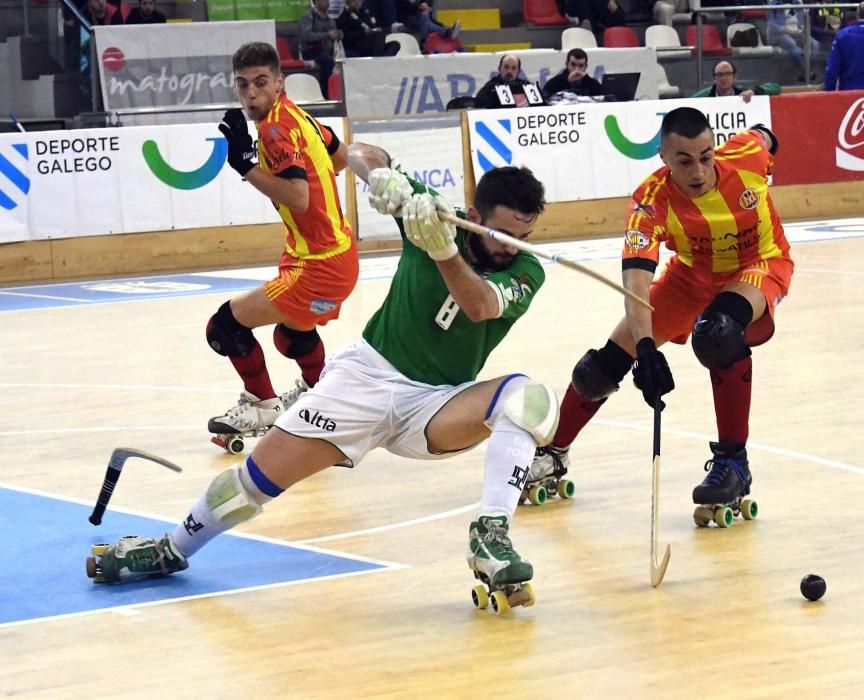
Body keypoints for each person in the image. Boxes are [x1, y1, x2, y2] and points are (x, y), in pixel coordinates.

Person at [87, 164, 554, 606]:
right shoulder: (428, 213)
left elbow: (477, 306)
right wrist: (383, 176)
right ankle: (172, 548)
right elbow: (363, 155)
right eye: (504, 235)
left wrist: (443, 252)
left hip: (436, 405)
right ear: (475, 217)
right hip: (364, 379)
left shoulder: (526, 270)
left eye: (524, 237)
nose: (514, 248)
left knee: (527, 397)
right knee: (252, 484)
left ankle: (491, 536)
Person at [531, 107, 793, 524]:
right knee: (601, 368)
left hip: (758, 264)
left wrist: (765, 135)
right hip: (690, 277)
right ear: (663, 157)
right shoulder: (650, 202)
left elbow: (766, 136)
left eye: (707, 156)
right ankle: (553, 453)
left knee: (718, 334)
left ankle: (733, 464)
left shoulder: (747, 156)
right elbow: (635, 283)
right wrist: (647, 349)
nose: (699, 171)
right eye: (684, 161)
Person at [206, 42, 373, 447]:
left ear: (279, 82)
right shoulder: (301, 118)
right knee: (291, 337)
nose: (251, 94)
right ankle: (323, 399)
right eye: (242, 85)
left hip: (316, 268)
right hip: (336, 256)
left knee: (224, 327)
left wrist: (245, 166)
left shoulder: (276, 129)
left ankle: (261, 405)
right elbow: (338, 158)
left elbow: (297, 197)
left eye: (261, 83)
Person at [767, 0, 821, 81]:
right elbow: (772, 25)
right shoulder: (772, 4)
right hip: (780, 35)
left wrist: (801, 30)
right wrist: (788, 31)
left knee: (815, 44)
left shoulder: (798, 2)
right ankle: (808, 72)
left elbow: (803, 20)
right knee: (792, 44)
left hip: (798, 33)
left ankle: (807, 71)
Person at [299, 0, 343, 98]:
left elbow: (332, 40)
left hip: (327, 50)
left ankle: (342, 92)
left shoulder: (330, 20)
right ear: (315, 2)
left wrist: (338, 36)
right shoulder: (308, 17)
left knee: (349, 56)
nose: (327, 2)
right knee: (327, 61)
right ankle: (325, 93)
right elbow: (306, 36)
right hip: (311, 50)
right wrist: (327, 35)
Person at [692, 60, 782, 102]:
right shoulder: (703, 96)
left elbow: (776, 88)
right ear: (714, 78)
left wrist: (754, 91)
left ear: (735, 77)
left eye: (727, 74)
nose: (723, 78)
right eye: (719, 74)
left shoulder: (743, 92)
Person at [474, 55, 538, 109]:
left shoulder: (527, 86)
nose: (509, 71)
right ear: (499, 69)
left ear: (519, 71)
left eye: (514, 68)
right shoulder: (490, 87)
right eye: (506, 67)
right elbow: (479, 105)